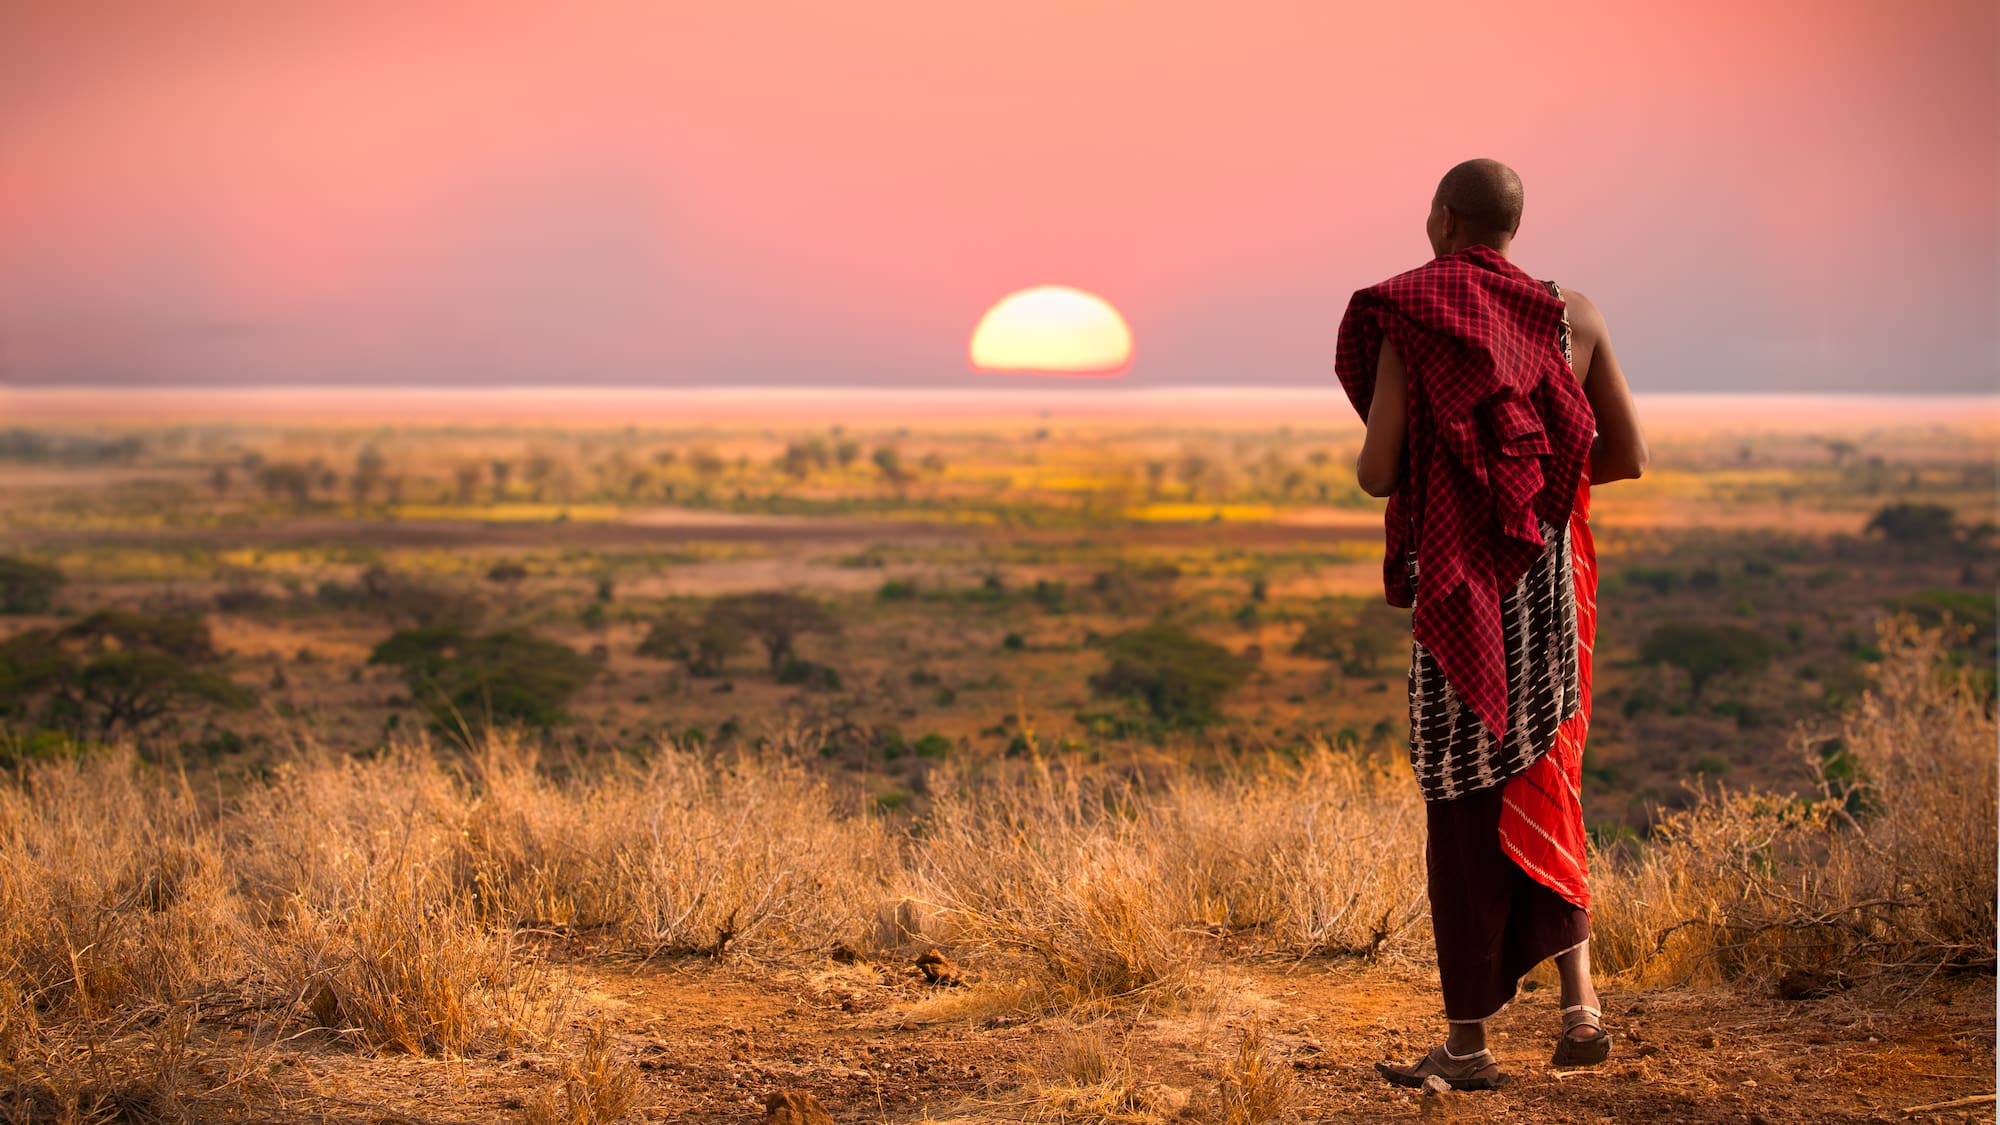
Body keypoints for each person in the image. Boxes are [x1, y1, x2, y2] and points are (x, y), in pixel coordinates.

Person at [1334, 158, 1649, 1091]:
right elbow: (1625, 453)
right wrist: (1527, 486)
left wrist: (1466, 489)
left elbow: (1377, 471)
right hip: (1543, 583)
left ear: (1441, 220)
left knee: (1464, 800)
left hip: (1460, 593)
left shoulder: (1410, 316)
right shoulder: (1574, 315)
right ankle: (1581, 1007)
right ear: (1513, 226)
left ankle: (1467, 1045)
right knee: (1544, 775)